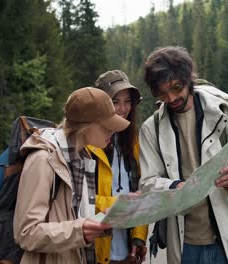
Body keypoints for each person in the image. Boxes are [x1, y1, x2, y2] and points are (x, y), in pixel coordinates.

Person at [139, 46, 228, 264]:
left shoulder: (223, 112)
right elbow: (147, 183)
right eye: (163, 93)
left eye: (176, 88)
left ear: (188, 80)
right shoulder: (151, 129)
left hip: (225, 239)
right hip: (185, 245)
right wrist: (174, 187)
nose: (171, 97)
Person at [13, 87, 130, 264]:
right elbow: (26, 233)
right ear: (85, 126)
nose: (112, 132)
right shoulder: (43, 159)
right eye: (106, 126)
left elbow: (73, 219)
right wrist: (80, 231)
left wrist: (100, 221)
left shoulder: (83, 158)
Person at [86, 70, 148, 264]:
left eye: (128, 101)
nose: (123, 109)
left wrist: (139, 236)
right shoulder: (86, 143)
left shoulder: (134, 140)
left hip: (127, 251)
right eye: (115, 101)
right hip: (93, 248)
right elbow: (73, 198)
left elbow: (141, 190)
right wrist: (115, 204)